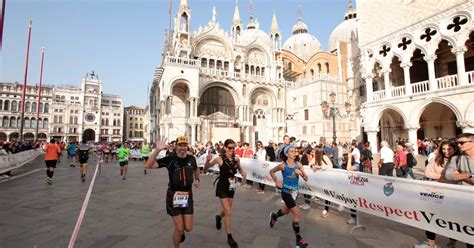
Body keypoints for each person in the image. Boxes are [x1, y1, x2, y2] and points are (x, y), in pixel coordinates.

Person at [145, 136, 200, 248]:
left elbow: (196, 169)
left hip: (187, 196)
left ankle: (181, 231)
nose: (182, 148)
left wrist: (197, 179)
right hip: (173, 195)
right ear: (176, 146)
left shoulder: (191, 159)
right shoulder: (170, 159)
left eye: (184, 145)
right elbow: (148, 166)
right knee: (179, 228)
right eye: (180, 145)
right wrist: (157, 150)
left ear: (187, 146)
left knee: (188, 228)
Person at [416, 140, 459, 248]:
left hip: (453, 195)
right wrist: (446, 177)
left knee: (453, 220)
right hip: (435, 193)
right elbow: (427, 172)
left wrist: (438, 176)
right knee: (430, 217)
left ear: (454, 149)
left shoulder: (459, 161)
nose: (446, 151)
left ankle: (452, 242)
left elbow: (459, 178)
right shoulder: (436, 159)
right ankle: (431, 243)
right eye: (443, 149)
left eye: (449, 149)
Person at [204, 139, 246, 248]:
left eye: (233, 148)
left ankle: (218, 217)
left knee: (227, 210)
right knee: (228, 212)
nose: (232, 150)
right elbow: (206, 168)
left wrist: (243, 173)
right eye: (230, 148)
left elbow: (240, 169)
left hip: (232, 187)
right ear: (225, 148)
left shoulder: (236, 159)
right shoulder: (220, 158)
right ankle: (229, 237)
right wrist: (207, 161)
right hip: (222, 186)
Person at [268, 145, 310, 248]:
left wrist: (301, 173)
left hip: (295, 192)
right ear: (286, 154)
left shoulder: (298, 164)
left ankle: (275, 216)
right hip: (286, 192)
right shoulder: (283, 166)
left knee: (285, 212)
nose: (294, 153)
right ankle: (299, 240)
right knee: (297, 215)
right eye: (291, 151)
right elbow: (271, 171)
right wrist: (277, 181)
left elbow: (306, 178)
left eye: (295, 151)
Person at [309, 146, 333, 218]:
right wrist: (312, 166)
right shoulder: (315, 157)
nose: (313, 152)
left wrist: (321, 167)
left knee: (327, 194)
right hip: (319, 178)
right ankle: (317, 197)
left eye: (314, 151)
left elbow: (330, 166)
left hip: (327, 178)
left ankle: (326, 209)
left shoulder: (324, 157)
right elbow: (310, 164)